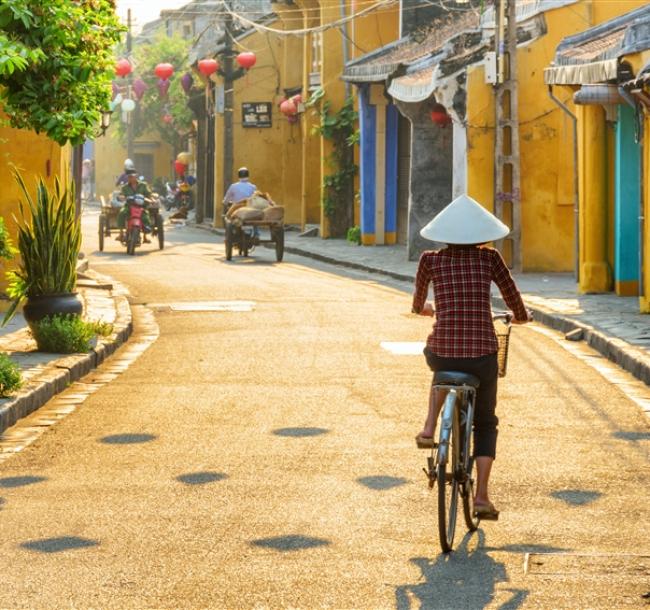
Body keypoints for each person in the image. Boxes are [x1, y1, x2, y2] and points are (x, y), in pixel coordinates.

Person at [411, 194, 532, 520]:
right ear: (481, 233)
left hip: (442, 352)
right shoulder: (489, 259)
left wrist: (429, 309)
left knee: (439, 369)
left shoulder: (430, 261)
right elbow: (513, 299)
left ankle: (428, 428)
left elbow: (417, 304)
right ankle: (480, 497)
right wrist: (520, 316)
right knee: (485, 422)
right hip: (481, 354)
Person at [117, 169, 153, 242]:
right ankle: (121, 233)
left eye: (132, 176)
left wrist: (151, 199)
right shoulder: (124, 187)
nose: (131, 178)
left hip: (141, 206)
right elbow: (121, 195)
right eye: (129, 177)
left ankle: (145, 236)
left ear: (136, 176)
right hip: (129, 206)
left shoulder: (143, 185)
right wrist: (121, 197)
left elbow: (149, 194)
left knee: (145, 217)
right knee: (121, 213)